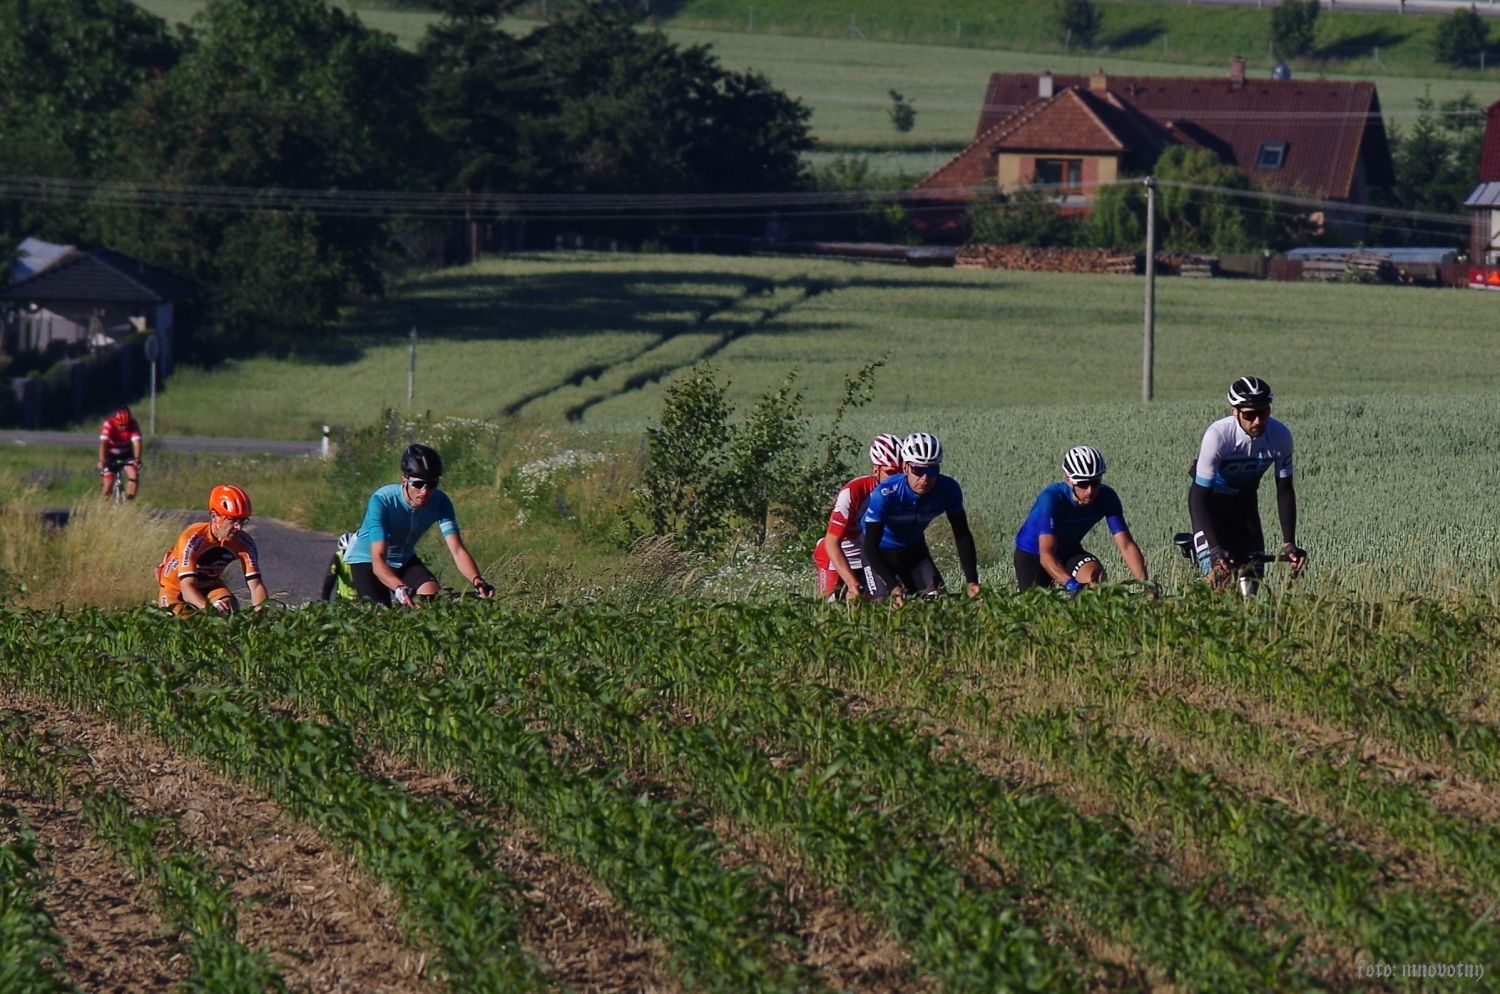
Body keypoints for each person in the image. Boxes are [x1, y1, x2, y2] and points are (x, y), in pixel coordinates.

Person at [1188, 376, 1307, 587]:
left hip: (1245, 503)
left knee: (1252, 579)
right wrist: (1214, 549)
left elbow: (1285, 490)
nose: (1258, 421)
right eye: (1250, 415)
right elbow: (1199, 496)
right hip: (1211, 502)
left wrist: (1289, 543)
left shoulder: (1280, 436)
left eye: (1264, 412)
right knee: (1220, 576)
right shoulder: (1218, 436)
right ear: (1235, 412)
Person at [343, 443, 496, 606]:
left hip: (403, 559)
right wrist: (399, 588)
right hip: (368, 560)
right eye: (418, 484)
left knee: (431, 598)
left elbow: (457, 550)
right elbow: (378, 559)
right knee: (380, 614)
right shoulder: (382, 500)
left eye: (432, 484)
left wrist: (477, 581)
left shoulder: (441, 502)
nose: (425, 491)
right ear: (404, 479)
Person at [860, 432, 981, 606]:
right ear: (905, 468)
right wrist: (892, 586)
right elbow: (870, 546)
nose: (925, 478)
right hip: (879, 550)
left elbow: (962, 534)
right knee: (885, 605)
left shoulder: (949, 489)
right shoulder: (885, 494)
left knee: (937, 602)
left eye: (932, 470)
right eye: (918, 470)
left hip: (914, 549)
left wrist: (972, 580)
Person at [1015, 445, 1150, 595]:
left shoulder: (1107, 497)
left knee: (1096, 581)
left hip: (1068, 551)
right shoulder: (1051, 499)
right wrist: (1071, 584)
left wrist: (1147, 586)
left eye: (1095, 482)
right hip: (1033, 555)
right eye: (1083, 483)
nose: (1090, 490)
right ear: (1068, 480)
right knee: (1036, 607)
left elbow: (1126, 546)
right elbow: (1046, 555)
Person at [814, 433, 903, 601]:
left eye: (901, 473)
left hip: (869, 555)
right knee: (830, 605)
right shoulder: (853, 492)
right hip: (838, 554)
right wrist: (852, 584)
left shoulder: (904, 493)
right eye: (891, 472)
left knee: (882, 602)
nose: (896, 479)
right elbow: (832, 542)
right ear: (875, 469)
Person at [156, 484, 267, 615]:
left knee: (230, 610)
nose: (239, 527)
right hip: (175, 588)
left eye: (243, 520)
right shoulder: (193, 538)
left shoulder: (245, 543)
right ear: (215, 516)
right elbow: (187, 589)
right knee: (183, 624)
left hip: (210, 586)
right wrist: (211, 612)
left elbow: (256, 586)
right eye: (232, 520)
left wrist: (261, 618)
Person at [98, 406, 143, 500]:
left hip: (126, 454)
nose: (124, 428)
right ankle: (103, 506)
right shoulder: (109, 424)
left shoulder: (133, 424)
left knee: (133, 474)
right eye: (121, 425)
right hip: (110, 455)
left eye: (126, 425)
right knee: (108, 485)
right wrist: (101, 461)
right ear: (115, 421)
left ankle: (129, 503)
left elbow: (137, 444)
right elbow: (103, 443)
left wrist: (137, 459)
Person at [320, 531, 359, 603]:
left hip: (363, 599)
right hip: (343, 600)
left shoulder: (364, 558)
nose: (348, 555)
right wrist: (325, 600)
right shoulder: (338, 557)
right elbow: (329, 580)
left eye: (351, 551)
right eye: (345, 551)